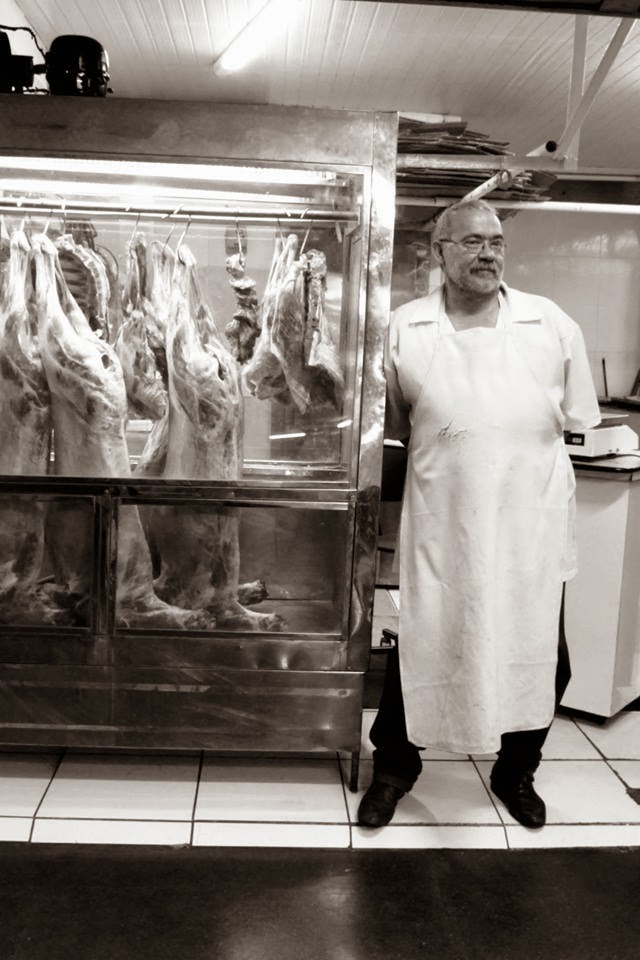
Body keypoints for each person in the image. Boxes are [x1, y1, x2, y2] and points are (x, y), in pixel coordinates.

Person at [358, 198, 600, 830]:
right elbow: (397, 423)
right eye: (470, 242)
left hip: (530, 523)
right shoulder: (407, 326)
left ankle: (516, 770)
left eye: (495, 241)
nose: (487, 253)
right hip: (445, 519)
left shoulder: (550, 323)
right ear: (439, 252)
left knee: (541, 652)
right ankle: (394, 770)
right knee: (424, 642)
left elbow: (577, 417)